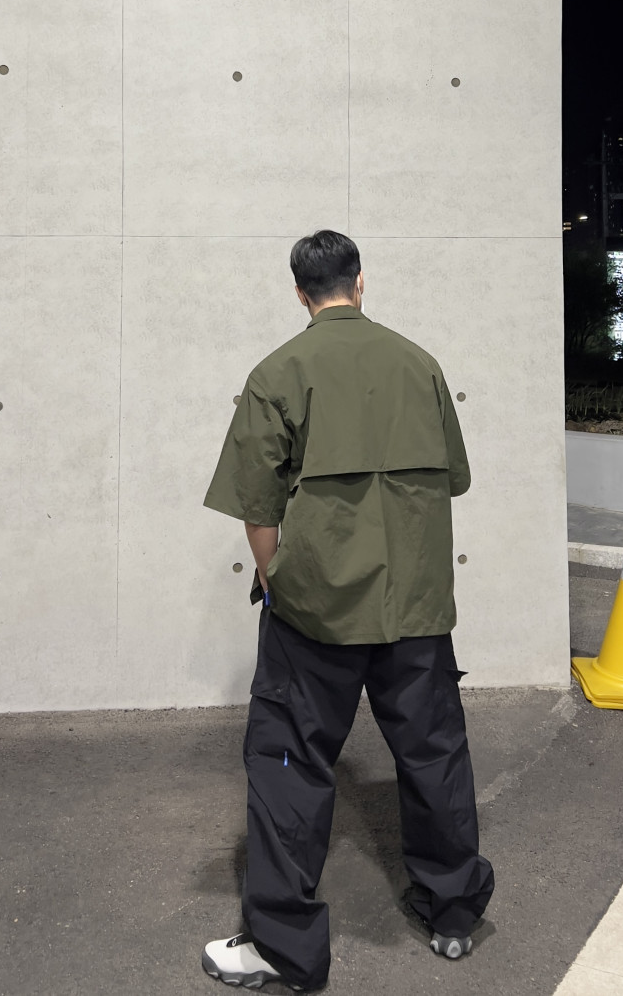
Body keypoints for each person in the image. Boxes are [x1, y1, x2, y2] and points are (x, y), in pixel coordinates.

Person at [200, 230, 493, 991]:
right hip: (417, 606)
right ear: (360, 283)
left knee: (290, 764)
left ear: (301, 293)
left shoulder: (277, 373)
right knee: (433, 754)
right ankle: (453, 913)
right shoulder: (420, 364)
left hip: (317, 609)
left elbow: (258, 506)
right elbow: (454, 478)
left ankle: (285, 949)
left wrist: (273, 578)